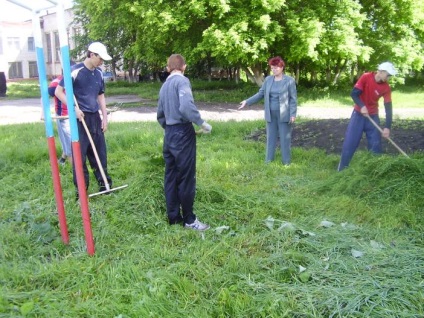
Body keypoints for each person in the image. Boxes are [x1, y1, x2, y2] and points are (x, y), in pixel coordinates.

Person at [157, 54, 212, 231]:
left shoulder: (164, 86)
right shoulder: (182, 81)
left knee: (171, 176)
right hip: (182, 133)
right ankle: (189, 220)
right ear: (184, 67)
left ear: (168, 68)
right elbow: (186, 107)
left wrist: (170, 128)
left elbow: (160, 115)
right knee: (186, 177)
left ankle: (173, 218)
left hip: (169, 134)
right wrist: (201, 123)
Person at [55, 42, 113, 196]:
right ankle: (81, 191)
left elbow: (100, 95)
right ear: (92, 54)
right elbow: (58, 92)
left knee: (100, 154)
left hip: (94, 118)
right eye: (100, 58)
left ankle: (105, 186)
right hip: (80, 119)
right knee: (79, 157)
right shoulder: (74, 71)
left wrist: (104, 117)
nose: (102, 62)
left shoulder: (99, 73)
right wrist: (74, 109)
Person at [338, 62, 397, 171]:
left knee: (375, 146)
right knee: (350, 143)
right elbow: (354, 94)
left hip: (373, 117)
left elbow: (388, 108)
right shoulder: (366, 77)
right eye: (388, 75)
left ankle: (375, 172)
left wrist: (387, 127)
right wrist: (361, 106)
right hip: (358, 115)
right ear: (381, 71)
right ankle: (341, 170)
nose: (389, 78)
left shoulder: (386, 88)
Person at [238, 56, 297, 165]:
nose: (274, 70)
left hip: (284, 114)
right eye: (272, 68)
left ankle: (286, 162)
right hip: (270, 114)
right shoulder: (268, 80)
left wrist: (293, 114)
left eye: (276, 68)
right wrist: (247, 101)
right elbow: (260, 93)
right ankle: (268, 161)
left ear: (282, 67)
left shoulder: (289, 81)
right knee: (270, 138)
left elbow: (293, 99)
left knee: (285, 139)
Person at [48, 75, 72, 165]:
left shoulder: (77, 78)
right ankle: (74, 169)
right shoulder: (58, 81)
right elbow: (49, 93)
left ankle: (63, 158)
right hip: (64, 116)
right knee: (69, 140)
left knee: (71, 139)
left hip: (77, 114)